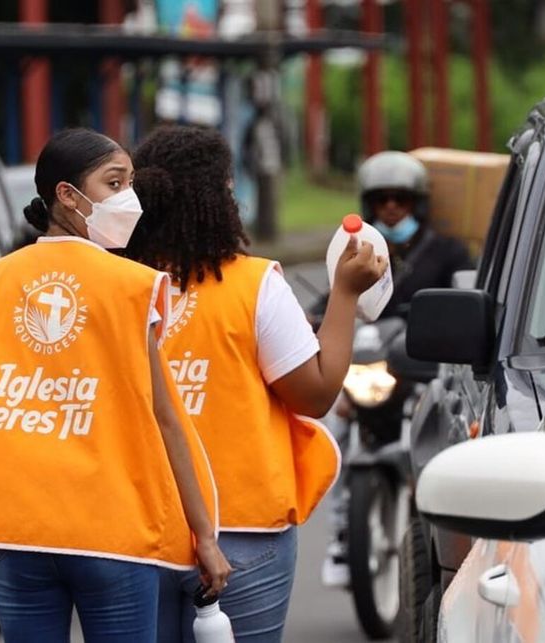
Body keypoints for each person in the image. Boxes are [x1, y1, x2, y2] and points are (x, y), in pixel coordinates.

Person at [0, 128, 230, 643]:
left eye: (130, 182)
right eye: (114, 183)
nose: (128, 198)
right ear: (67, 195)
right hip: (111, 532)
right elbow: (166, 419)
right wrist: (203, 534)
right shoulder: (133, 286)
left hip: (15, 534)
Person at [124, 125, 386, 642]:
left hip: (138, 530)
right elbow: (314, 393)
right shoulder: (252, 283)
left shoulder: (120, 284)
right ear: (217, 196)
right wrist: (346, 295)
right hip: (241, 530)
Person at [320, 150, 474, 587]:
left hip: (426, 368)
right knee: (335, 423)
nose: (391, 207)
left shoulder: (447, 251)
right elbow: (333, 298)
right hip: (373, 367)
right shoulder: (354, 251)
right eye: (382, 199)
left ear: (417, 203)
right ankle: (341, 532)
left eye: (400, 199)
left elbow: (467, 298)